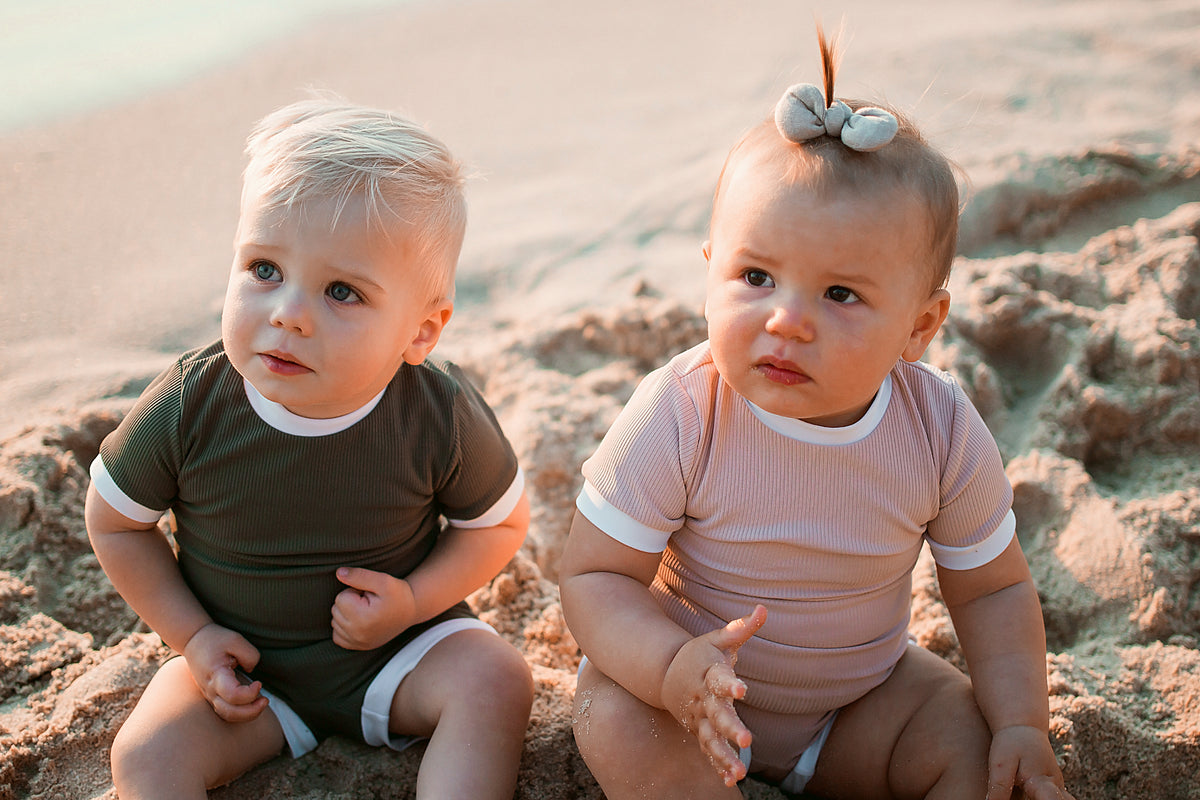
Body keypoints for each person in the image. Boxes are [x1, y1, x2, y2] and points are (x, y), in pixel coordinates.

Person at [559, 29, 1074, 800]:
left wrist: (1023, 726)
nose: (786, 320)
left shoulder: (938, 429)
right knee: (609, 709)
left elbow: (992, 590)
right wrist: (669, 667)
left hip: (860, 707)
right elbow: (595, 575)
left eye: (840, 295)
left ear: (918, 328)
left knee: (960, 731)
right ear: (710, 274)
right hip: (688, 699)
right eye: (756, 276)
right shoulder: (683, 407)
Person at [85, 98, 534, 800]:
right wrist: (193, 636)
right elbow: (114, 520)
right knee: (146, 755)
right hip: (245, 669)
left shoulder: (437, 413)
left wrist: (414, 600)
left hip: (400, 651)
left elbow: (498, 526)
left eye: (341, 291)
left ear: (421, 331)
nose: (288, 312)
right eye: (264, 269)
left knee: (497, 679)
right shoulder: (192, 402)